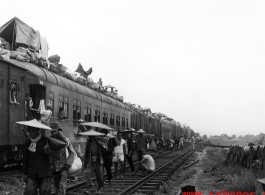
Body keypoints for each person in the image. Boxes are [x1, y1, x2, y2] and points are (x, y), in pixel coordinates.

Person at [23, 122, 58, 195]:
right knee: (30, 191)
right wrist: (25, 173)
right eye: (30, 131)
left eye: (33, 131)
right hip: (32, 172)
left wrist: (48, 150)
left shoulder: (45, 141)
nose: (31, 133)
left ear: (38, 131)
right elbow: (25, 159)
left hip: (45, 172)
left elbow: (55, 154)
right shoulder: (27, 142)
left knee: (45, 192)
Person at [49, 122, 75, 195]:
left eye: (55, 131)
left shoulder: (66, 141)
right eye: (52, 131)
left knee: (62, 185)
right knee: (56, 185)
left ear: (59, 131)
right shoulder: (49, 141)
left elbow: (72, 153)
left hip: (63, 166)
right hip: (54, 168)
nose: (54, 133)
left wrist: (68, 163)